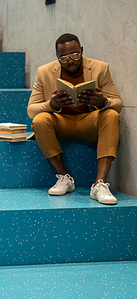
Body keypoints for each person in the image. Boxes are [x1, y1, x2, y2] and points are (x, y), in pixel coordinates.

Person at [27, 33, 122, 205]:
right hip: (61, 123)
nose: (70, 61)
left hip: (89, 122)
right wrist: (51, 104)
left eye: (75, 55)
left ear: (82, 51)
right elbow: (31, 110)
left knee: (111, 115)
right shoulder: (44, 72)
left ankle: (99, 185)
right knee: (40, 120)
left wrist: (103, 102)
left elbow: (118, 104)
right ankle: (65, 178)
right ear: (57, 57)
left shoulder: (101, 68)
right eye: (63, 58)